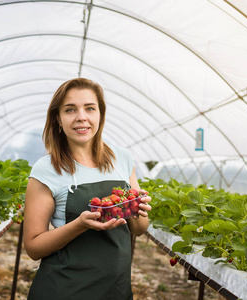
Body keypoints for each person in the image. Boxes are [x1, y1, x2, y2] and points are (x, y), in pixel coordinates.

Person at [22, 78, 152, 300]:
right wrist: (79, 225)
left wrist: (138, 209)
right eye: (70, 109)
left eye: (89, 108)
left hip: (116, 289)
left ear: (100, 115)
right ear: (58, 119)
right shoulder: (46, 169)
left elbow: (138, 229)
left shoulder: (121, 159)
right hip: (64, 290)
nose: (81, 116)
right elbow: (33, 248)